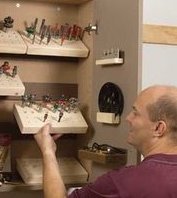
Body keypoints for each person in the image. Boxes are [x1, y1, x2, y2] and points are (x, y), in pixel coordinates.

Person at [34, 85, 177, 198]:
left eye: (135, 113)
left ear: (159, 128)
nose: (128, 118)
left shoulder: (126, 182)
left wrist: (48, 151)